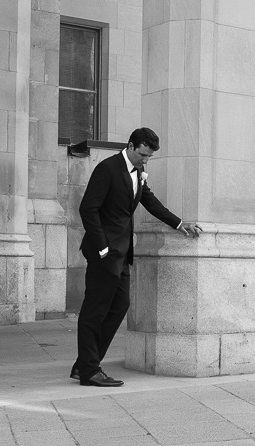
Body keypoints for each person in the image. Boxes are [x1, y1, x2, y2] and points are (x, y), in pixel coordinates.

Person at [72, 127, 201, 387]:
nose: (145, 160)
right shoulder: (107, 168)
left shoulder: (138, 172)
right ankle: (89, 370)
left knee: (120, 305)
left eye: (149, 157)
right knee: (94, 312)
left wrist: (179, 224)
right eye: (143, 154)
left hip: (122, 254)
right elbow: (88, 209)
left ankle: (85, 362)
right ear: (131, 146)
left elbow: (149, 201)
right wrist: (103, 249)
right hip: (105, 254)